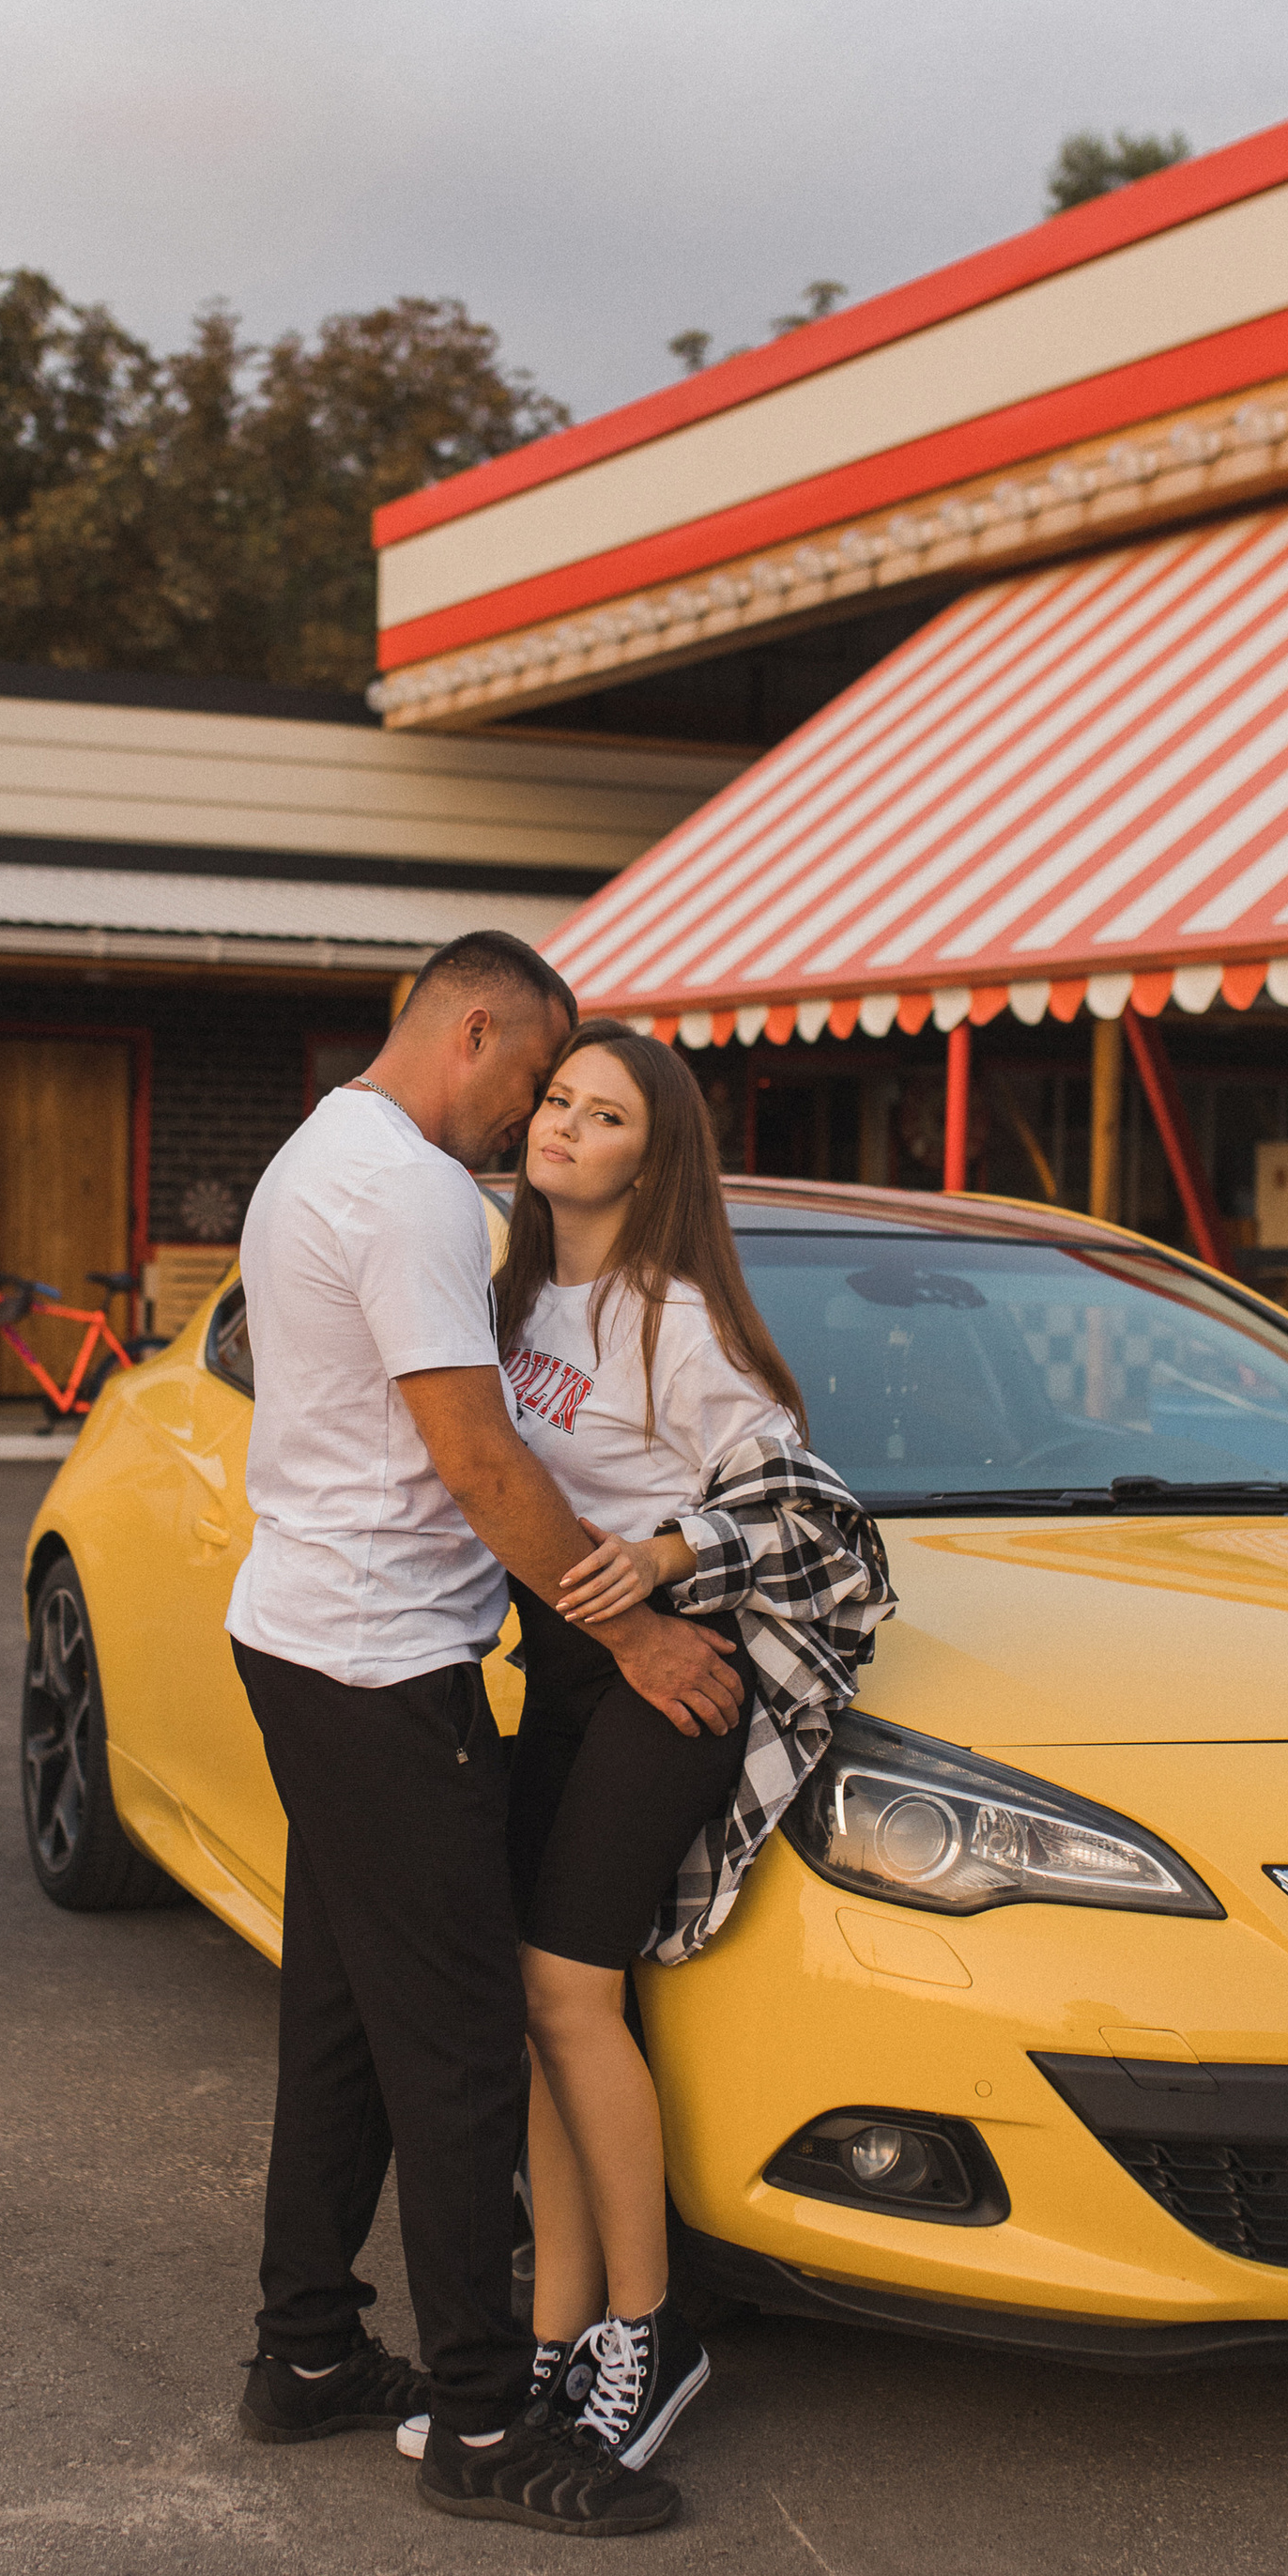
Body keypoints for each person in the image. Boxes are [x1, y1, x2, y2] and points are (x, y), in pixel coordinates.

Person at [225, 933, 743, 2540]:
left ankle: (305, 2354)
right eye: (534, 1083)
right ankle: (479, 2418)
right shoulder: (415, 1195)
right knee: (458, 2051)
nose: (531, 1124)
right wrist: (638, 1627)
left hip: (308, 1637)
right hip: (381, 1667)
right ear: (473, 1032)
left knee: (340, 2025)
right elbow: (478, 1456)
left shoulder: (323, 1149)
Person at [497, 1020, 890, 2473]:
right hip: (561, 1676)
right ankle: (559, 2337)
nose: (563, 1130)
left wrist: (667, 1559)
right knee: (536, 2009)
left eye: (601, 1118)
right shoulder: (521, 1296)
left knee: (567, 1992)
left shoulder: (675, 1319)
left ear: (651, 1160)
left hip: (670, 1692)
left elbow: (811, 1512)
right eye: (554, 1101)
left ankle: (652, 2343)